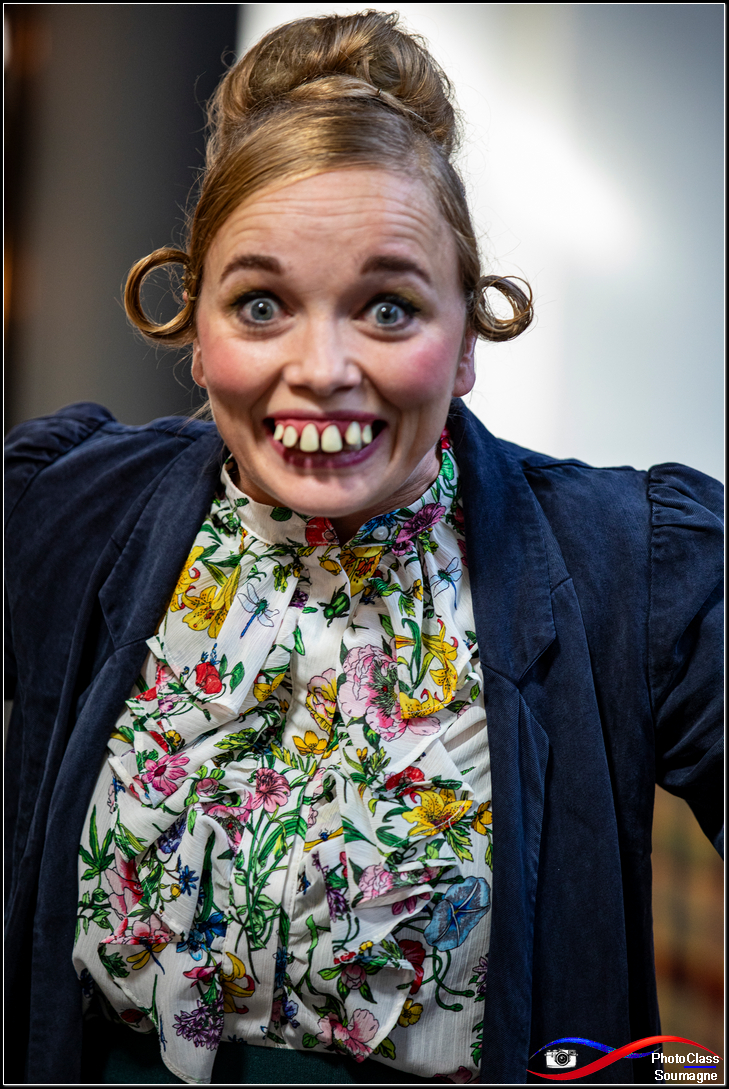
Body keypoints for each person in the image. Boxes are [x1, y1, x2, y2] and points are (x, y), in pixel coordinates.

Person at [4, 10, 722, 1086]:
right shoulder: (64, 507)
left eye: (387, 309)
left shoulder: (637, 567)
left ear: (467, 337)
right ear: (196, 330)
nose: (322, 368)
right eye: (261, 305)